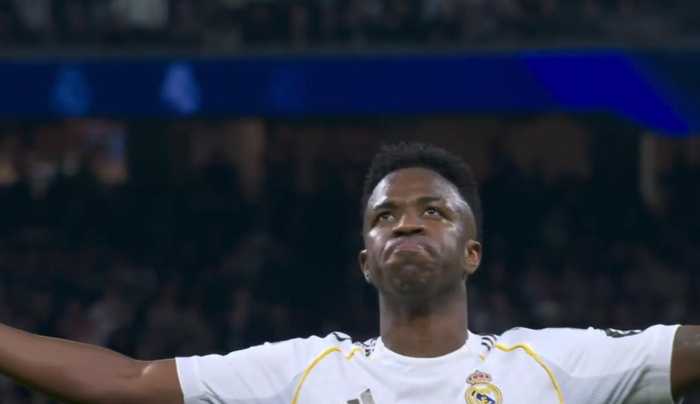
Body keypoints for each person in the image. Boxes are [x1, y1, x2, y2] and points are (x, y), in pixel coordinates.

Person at [0, 142, 698, 404]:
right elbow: (127, 381)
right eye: (385, 215)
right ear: (366, 261)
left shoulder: (552, 366)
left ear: (472, 253)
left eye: (433, 211)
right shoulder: (303, 374)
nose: (407, 223)